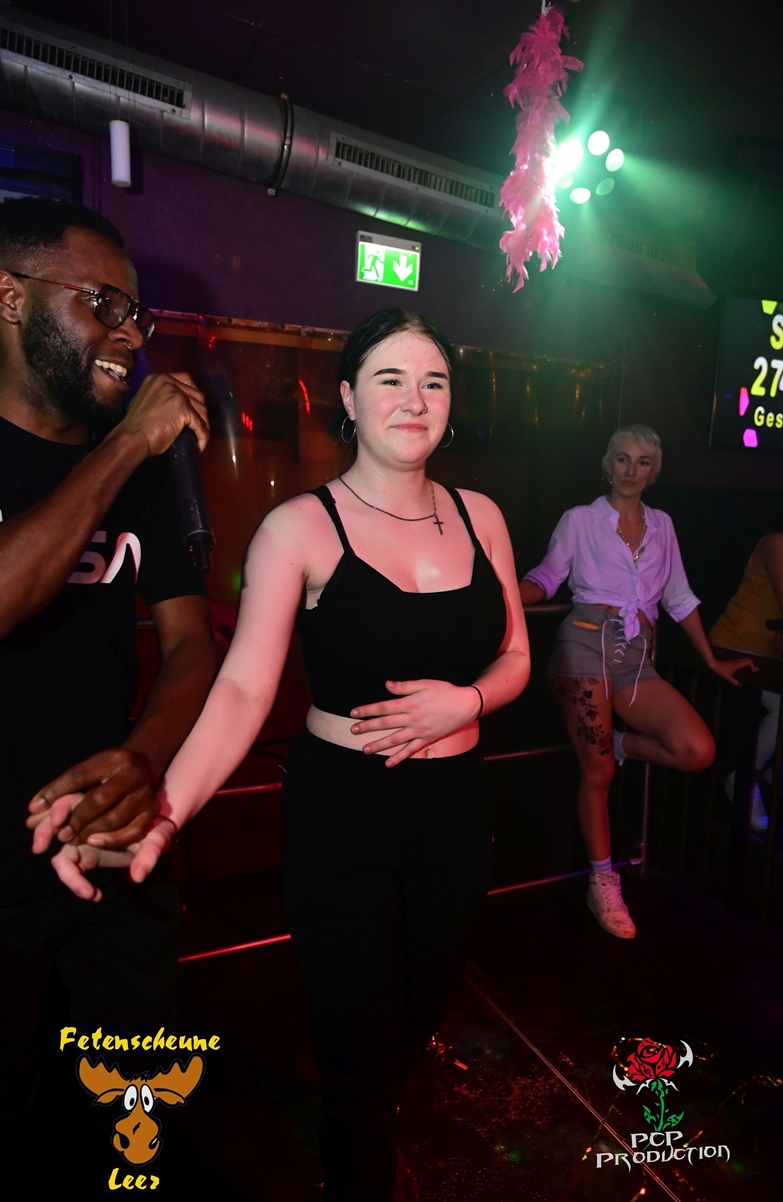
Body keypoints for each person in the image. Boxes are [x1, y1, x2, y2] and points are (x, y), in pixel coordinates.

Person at [45, 308, 530, 1200]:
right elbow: (239, 690)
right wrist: (165, 810)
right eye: (390, 379)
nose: (415, 400)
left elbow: (515, 658)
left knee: (416, 1019)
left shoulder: (483, 517)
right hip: (343, 816)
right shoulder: (299, 529)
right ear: (348, 397)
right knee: (360, 1059)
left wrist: (464, 702)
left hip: (457, 812)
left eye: (433, 382)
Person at [0, 197, 217, 1134]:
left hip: (113, 848)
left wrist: (144, 757)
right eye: (104, 305)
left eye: (138, 316)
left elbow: (191, 644)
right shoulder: (131, 454)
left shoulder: (149, 476)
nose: (130, 334)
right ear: (10, 297)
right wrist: (130, 443)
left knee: (136, 1126)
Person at [519, 424, 752, 939]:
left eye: (642, 462)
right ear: (608, 464)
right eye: (622, 459)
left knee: (698, 750)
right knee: (598, 771)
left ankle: (618, 743)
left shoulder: (663, 525)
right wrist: (502, 596)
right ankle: (603, 882)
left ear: (653, 471)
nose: (630, 470)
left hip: (636, 658)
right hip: (583, 646)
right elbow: (546, 578)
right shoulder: (581, 519)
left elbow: (679, 597)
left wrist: (713, 661)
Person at [710, 490, 783, 829]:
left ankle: (780, 771)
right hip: (735, 647)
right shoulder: (779, 541)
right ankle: (744, 779)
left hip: (770, 650)